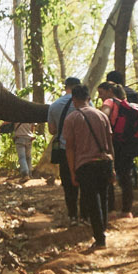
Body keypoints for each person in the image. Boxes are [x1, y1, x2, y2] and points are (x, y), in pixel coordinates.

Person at [61, 80, 115, 250]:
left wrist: (72, 171)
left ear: (74, 100)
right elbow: (109, 143)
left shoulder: (72, 118)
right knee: (103, 197)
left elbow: (69, 148)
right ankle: (102, 231)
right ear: (89, 98)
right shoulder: (102, 116)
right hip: (104, 162)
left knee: (92, 200)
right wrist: (112, 165)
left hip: (86, 165)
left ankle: (100, 239)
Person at [102, 81, 138, 217]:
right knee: (126, 177)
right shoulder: (128, 104)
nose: (100, 96)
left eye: (101, 93)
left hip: (114, 143)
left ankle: (111, 210)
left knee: (108, 175)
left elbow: (103, 116)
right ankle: (127, 211)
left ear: (110, 91)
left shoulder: (110, 101)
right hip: (129, 144)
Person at [45, 77, 79, 219]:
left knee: (68, 185)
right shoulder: (85, 103)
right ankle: (86, 215)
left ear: (65, 87)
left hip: (64, 150)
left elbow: (52, 130)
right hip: (83, 150)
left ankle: (73, 216)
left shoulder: (54, 105)